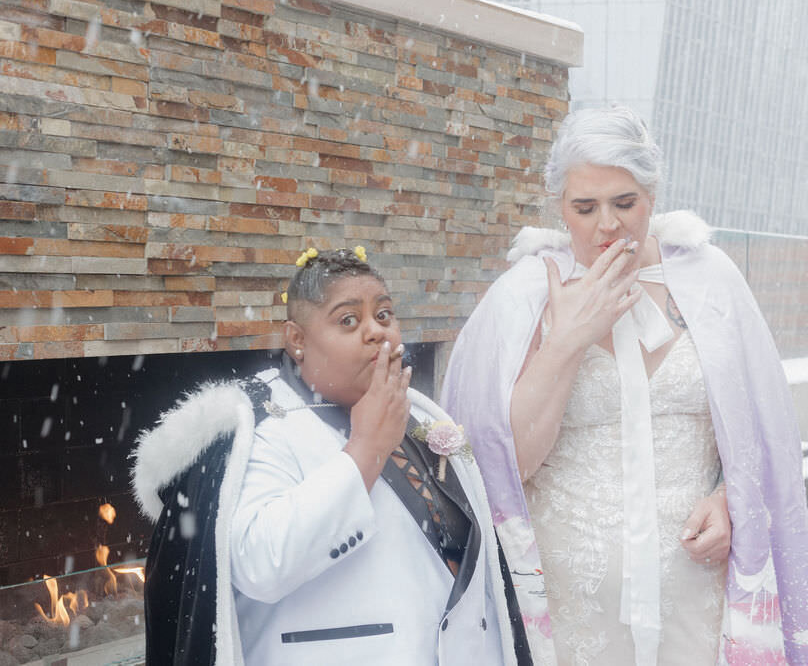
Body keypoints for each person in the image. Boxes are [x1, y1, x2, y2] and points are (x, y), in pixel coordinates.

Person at [441, 106, 808, 665]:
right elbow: (502, 466)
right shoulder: (523, 296)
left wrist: (729, 503)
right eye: (586, 207)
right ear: (561, 208)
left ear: (652, 194)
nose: (608, 225)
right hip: (568, 607)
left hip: (697, 599)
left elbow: (762, 435)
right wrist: (568, 340)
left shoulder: (711, 279)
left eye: (625, 203)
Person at [132, 248, 529, 665]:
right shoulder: (256, 427)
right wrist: (366, 449)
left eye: (384, 314)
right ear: (297, 340)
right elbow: (260, 565)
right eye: (348, 320)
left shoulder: (422, 415)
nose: (376, 331)